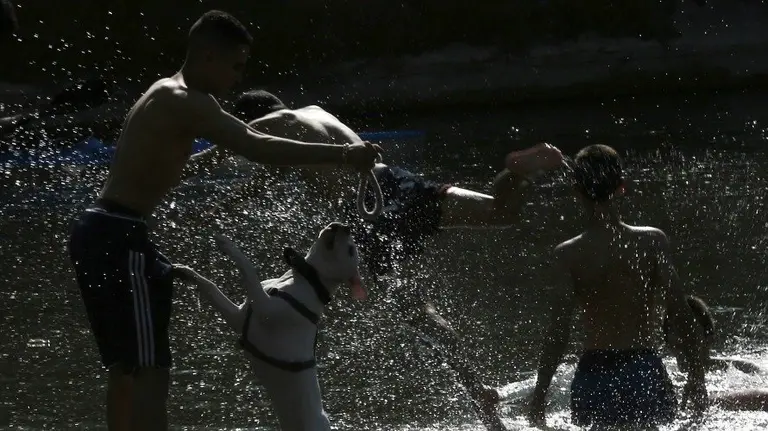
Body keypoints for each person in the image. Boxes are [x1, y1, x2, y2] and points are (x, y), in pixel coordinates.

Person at [66, 11, 381, 431]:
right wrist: (342, 156)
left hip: (103, 229)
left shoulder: (163, 93)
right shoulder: (187, 101)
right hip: (118, 234)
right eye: (235, 66)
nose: (238, 79)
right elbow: (256, 144)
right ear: (209, 56)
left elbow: (178, 160)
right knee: (149, 372)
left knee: (129, 369)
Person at [195, 88, 567, 430]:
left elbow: (223, 150)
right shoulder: (312, 113)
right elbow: (272, 172)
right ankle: (519, 171)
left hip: (370, 214)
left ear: (251, 120)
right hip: (397, 183)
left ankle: (480, 395)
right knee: (500, 212)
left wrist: (173, 160)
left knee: (418, 312)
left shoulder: (265, 125)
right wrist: (229, 203)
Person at [527, 144, 708, 428]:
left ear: (576, 191)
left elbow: (557, 331)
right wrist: (697, 378)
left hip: (594, 373)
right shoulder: (651, 242)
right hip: (642, 369)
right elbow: (680, 312)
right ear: (622, 187)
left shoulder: (569, 254)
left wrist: (540, 395)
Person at [665, 295, 768, 411]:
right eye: (676, 328)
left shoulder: (742, 368)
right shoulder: (666, 372)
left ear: (709, 337)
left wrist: (708, 401)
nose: (683, 336)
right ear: (666, 340)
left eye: (690, 329)